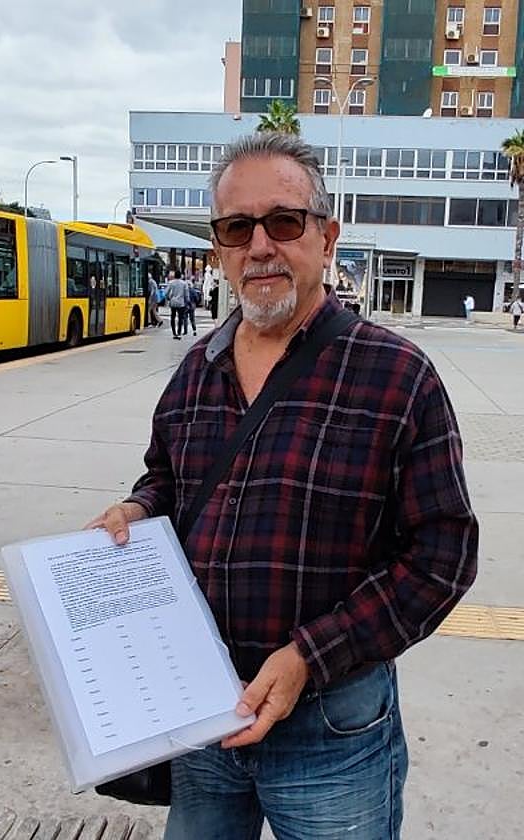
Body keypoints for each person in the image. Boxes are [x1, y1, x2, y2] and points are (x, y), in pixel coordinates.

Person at [87, 132, 477, 839]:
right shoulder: (196, 370)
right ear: (219, 250)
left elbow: (442, 557)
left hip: (334, 731)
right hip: (203, 714)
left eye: (284, 221)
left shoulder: (398, 376)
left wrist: (309, 655)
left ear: (326, 239)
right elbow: (168, 479)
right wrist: (137, 508)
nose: (261, 244)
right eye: (238, 227)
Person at [165, 270, 189, 339]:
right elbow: (186, 294)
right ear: (180, 276)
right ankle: (179, 332)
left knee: (172, 317)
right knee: (180, 318)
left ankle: (174, 333)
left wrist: (169, 298)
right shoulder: (184, 283)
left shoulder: (171, 283)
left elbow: (166, 293)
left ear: (174, 275)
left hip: (173, 302)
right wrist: (187, 302)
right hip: (181, 303)